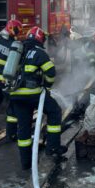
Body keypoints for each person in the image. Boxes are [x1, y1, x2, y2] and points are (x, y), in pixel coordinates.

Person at [10, 26, 67, 170]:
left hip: (16, 95)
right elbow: (51, 72)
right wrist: (47, 87)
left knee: (23, 127)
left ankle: (26, 163)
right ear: (40, 39)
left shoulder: (17, 50)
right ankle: (52, 148)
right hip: (34, 94)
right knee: (55, 112)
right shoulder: (39, 52)